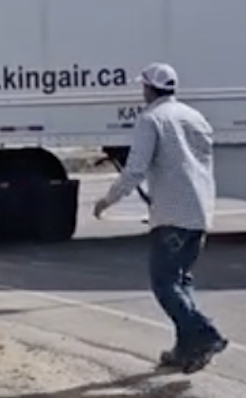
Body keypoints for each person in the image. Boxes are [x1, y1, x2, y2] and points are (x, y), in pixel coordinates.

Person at [93, 62, 228, 373]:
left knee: (164, 283)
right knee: (182, 281)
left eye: (143, 86)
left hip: (171, 214)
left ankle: (206, 334)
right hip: (200, 210)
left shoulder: (150, 119)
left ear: (149, 89)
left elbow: (136, 169)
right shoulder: (195, 117)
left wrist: (107, 199)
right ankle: (185, 351)